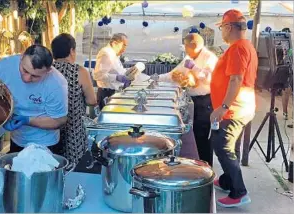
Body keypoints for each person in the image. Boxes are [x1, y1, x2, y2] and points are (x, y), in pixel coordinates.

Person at [0, 45, 68, 155]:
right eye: (24, 70)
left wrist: (28, 120)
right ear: (21, 57)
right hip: (17, 138)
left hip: (44, 144)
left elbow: (60, 120)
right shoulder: (5, 66)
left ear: (48, 71)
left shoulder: (56, 84)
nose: (26, 79)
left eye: (35, 76)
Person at [210, 9, 257, 207]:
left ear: (228, 27)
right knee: (222, 144)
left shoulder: (238, 48)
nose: (222, 32)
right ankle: (227, 181)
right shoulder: (244, 46)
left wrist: (223, 106)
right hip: (240, 107)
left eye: (222, 28)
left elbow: (236, 78)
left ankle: (239, 192)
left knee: (223, 146)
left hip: (234, 108)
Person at [151, 33, 218, 166]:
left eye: (186, 47)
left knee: (203, 138)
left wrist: (194, 67)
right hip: (193, 100)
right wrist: (156, 78)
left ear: (193, 45)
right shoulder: (189, 57)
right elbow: (173, 73)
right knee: (195, 136)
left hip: (205, 101)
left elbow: (209, 77)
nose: (185, 50)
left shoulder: (209, 57)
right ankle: (196, 165)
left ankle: (205, 168)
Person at [51, 33, 97, 168]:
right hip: (74, 129)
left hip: (49, 128)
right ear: (72, 51)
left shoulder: (48, 70)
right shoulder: (79, 71)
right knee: (74, 168)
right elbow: (92, 100)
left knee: (53, 166)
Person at [93, 33, 140, 110]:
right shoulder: (106, 53)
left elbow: (117, 71)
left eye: (126, 46)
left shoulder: (114, 54)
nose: (124, 49)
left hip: (115, 92)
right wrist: (117, 78)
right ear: (114, 43)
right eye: (123, 45)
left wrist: (129, 72)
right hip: (107, 93)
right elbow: (98, 75)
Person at [281, 28, 293, 123]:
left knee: (287, 93)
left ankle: (291, 117)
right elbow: (285, 57)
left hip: (290, 70)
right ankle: (285, 113)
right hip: (287, 71)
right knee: (286, 92)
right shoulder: (283, 45)